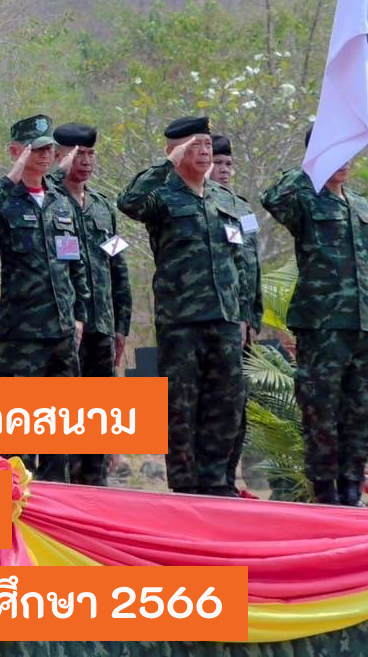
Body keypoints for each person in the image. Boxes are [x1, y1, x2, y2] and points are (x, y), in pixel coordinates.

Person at [116, 116, 248, 497]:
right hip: (181, 321)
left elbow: (239, 262)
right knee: (181, 406)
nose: (205, 152)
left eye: (207, 144)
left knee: (226, 402)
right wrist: (167, 164)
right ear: (174, 151)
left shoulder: (224, 200)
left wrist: (241, 313)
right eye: (194, 145)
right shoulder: (162, 196)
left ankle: (218, 482)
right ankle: (186, 486)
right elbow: (128, 202)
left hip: (224, 318)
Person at [260, 137, 368, 507]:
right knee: (320, 410)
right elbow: (273, 198)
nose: (344, 162)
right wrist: (311, 165)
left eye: (348, 154)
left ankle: (351, 486)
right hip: (322, 325)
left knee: (360, 411)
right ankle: (325, 490)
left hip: (363, 326)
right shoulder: (305, 198)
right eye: (335, 154)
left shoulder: (360, 205)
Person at [0, 114, 88, 484]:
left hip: (62, 332)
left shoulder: (62, 202)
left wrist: (79, 315)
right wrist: (11, 177)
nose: (46, 154)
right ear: (17, 151)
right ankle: (17, 501)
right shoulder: (5, 198)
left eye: (49, 148)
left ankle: (56, 500)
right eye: (36, 148)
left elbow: (76, 263)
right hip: (23, 333)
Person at [51, 122, 132, 488]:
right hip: (65, 326)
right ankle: (66, 490)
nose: (84, 161)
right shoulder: (48, 200)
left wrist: (121, 326)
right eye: (76, 154)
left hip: (102, 326)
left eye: (89, 154)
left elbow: (118, 268)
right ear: (58, 156)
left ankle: (95, 487)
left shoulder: (101, 207)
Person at [208, 134, 262, 496]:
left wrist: (252, 317)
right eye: (218, 163)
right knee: (215, 403)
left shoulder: (243, 209)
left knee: (238, 405)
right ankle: (211, 481)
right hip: (216, 321)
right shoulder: (204, 206)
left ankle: (229, 478)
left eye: (229, 164)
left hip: (242, 322)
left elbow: (251, 265)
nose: (224, 170)